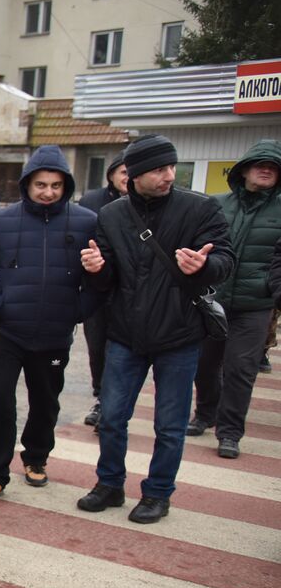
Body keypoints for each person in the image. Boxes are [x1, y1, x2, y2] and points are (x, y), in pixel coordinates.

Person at [77, 134, 233, 524]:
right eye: (158, 170)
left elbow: (226, 259)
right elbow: (107, 278)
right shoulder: (112, 215)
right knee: (111, 416)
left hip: (179, 336)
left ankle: (158, 494)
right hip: (125, 335)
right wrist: (97, 269)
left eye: (170, 168)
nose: (168, 175)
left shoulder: (199, 209)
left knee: (169, 425)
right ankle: (109, 484)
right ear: (135, 176)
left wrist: (205, 266)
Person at [0, 145, 99, 503]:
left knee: (46, 403)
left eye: (55, 185)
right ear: (27, 185)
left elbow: (103, 277)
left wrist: (77, 310)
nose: (48, 192)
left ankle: (36, 458)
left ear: (65, 186)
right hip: (6, 333)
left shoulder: (87, 222)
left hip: (55, 334)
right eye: (40, 184)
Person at [186, 140, 281, 458]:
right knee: (204, 364)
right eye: (260, 165)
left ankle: (229, 433)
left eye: (273, 167)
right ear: (243, 171)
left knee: (241, 368)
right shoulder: (216, 204)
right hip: (214, 300)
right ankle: (205, 414)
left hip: (256, 304)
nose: (266, 170)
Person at [76, 152, 128, 428]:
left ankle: (111, 406)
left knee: (119, 352)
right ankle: (101, 397)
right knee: (97, 349)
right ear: (111, 175)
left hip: (129, 293)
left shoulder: (146, 206)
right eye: (123, 172)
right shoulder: (91, 202)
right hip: (95, 291)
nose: (127, 178)